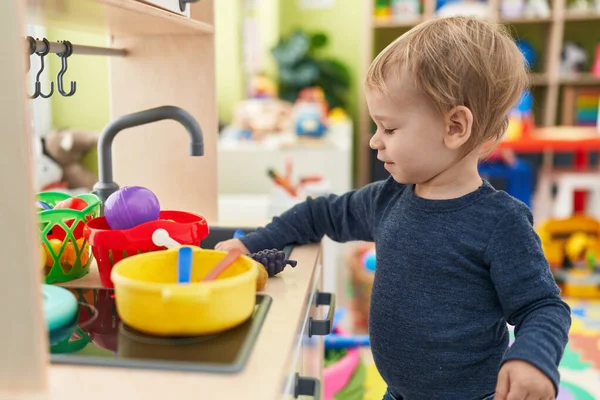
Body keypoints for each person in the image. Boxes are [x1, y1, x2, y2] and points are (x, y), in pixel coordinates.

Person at [216, 16, 571, 400]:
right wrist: (251, 244)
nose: (373, 142)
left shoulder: (501, 223)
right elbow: (319, 213)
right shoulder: (389, 197)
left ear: (455, 127)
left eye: (389, 128)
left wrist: (532, 358)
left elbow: (544, 306)